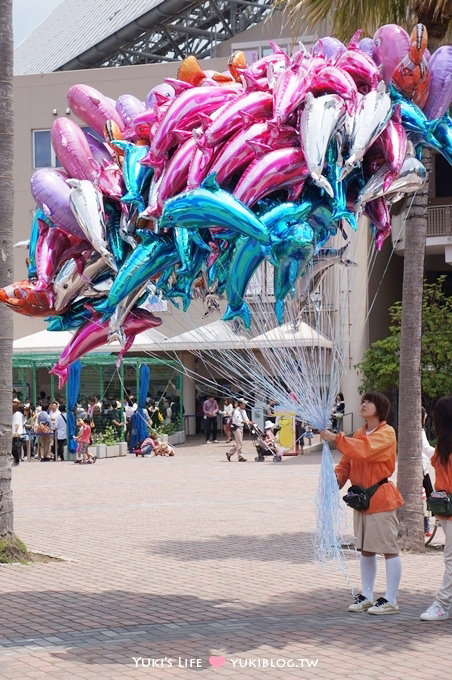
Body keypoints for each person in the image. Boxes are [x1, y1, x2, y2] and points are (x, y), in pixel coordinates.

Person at [320, 391, 404, 615]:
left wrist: (335, 438)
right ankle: (367, 595)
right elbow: (347, 463)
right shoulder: (358, 432)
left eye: (369, 402)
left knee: (388, 550)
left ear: (380, 408)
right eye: (363, 401)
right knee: (365, 550)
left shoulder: (386, 433)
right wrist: (335, 481)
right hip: (361, 500)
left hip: (381, 498)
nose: (363, 405)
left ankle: (391, 599)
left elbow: (364, 451)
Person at [420, 396, 452, 621]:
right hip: (446, 511)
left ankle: (442, 604)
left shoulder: (445, 446)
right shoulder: (444, 445)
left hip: (448, 511)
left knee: (451, 560)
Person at [421, 407, 435, 537]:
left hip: (422, 468)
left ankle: (426, 526)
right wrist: (439, 452)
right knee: (427, 496)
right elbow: (426, 448)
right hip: (421, 469)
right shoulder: (419, 431)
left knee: (426, 495)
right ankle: (426, 527)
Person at [11, 402, 24, 466]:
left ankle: (17, 460)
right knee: (13, 448)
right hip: (14, 432)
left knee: (14, 448)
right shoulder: (15, 414)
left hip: (16, 433)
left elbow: (17, 424)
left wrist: (15, 432)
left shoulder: (17, 414)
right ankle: (16, 460)